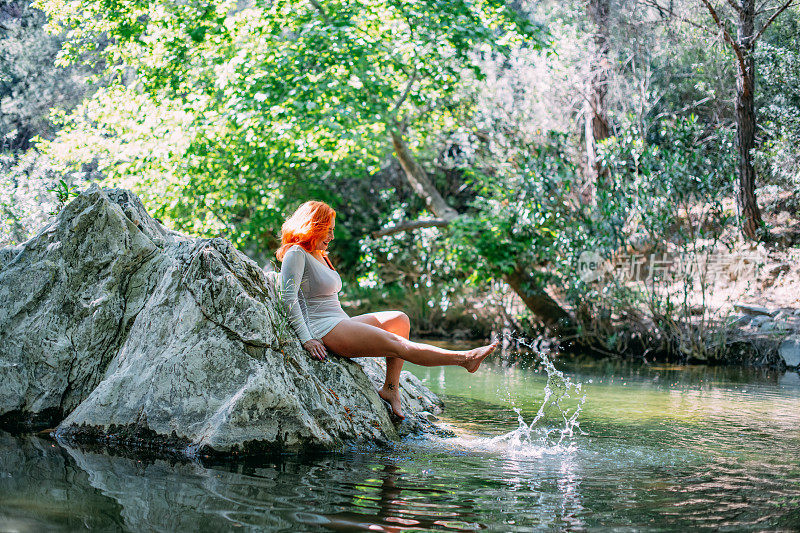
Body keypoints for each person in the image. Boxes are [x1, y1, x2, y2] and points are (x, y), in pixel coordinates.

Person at [277, 201, 498, 419]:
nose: (332, 237)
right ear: (313, 226)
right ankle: (464, 358)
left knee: (399, 320)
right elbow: (288, 297)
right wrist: (307, 339)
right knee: (398, 345)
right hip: (324, 329)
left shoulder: (320, 254)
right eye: (328, 230)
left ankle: (391, 388)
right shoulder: (296, 253)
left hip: (341, 321)